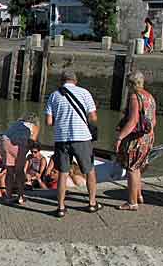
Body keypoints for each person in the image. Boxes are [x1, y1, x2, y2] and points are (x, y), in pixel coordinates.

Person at [45, 70, 100, 218]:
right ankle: (92, 203)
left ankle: (61, 207)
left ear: (62, 81)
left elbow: (49, 122)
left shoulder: (54, 95)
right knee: (89, 170)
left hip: (62, 139)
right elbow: (93, 117)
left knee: (63, 173)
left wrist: (62, 120)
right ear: (75, 81)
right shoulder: (84, 93)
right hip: (82, 138)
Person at [115, 71, 157, 211]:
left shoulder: (134, 97)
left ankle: (132, 202)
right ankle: (138, 195)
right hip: (148, 137)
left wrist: (120, 137)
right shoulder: (150, 97)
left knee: (132, 169)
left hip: (136, 139)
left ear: (131, 84)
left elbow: (133, 121)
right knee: (138, 167)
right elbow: (153, 121)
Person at [0, 113, 40, 205]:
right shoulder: (35, 126)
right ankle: (20, 197)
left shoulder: (17, 123)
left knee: (9, 172)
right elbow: (32, 140)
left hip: (4, 142)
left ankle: (8, 196)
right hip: (19, 144)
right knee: (19, 171)